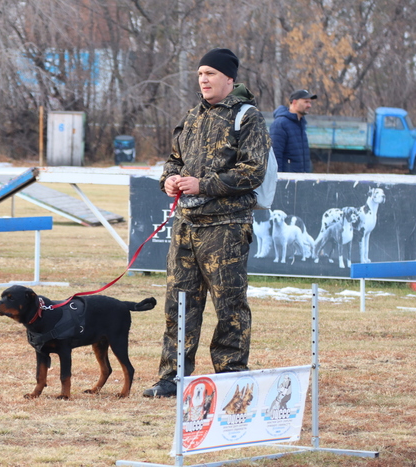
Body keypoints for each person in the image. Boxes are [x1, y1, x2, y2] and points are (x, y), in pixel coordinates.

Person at [143, 48, 271, 398]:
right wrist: (169, 179)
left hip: (226, 227)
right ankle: (172, 377)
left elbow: (253, 171)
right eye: (200, 73)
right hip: (186, 225)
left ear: (229, 79)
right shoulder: (192, 116)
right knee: (179, 304)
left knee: (229, 305)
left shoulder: (247, 117)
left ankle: (231, 376)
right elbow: (174, 159)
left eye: (211, 73)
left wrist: (204, 184)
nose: (203, 79)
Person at [269, 89, 317, 173]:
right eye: (306, 102)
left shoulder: (301, 124)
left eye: (310, 102)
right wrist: (280, 178)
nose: (309, 105)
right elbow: (275, 156)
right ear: (294, 102)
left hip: (301, 179)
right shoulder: (280, 124)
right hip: (288, 179)